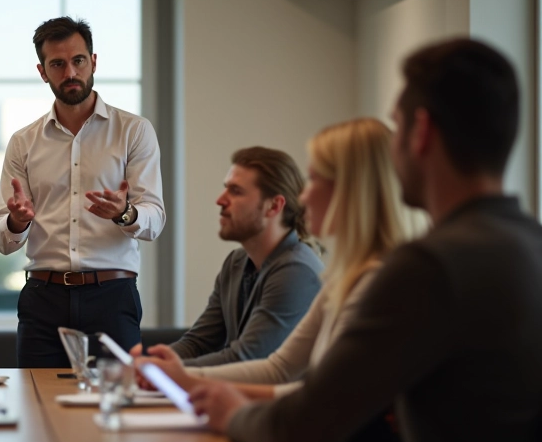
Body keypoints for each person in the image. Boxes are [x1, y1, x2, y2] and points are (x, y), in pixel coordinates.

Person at [190, 39, 542, 442]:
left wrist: (232, 415)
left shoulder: (426, 267)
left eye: (395, 129)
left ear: (420, 132)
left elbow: (304, 425)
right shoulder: (527, 243)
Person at [141, 118, 419, 396]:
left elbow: (321, 395)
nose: (305, 196)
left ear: (353, 191)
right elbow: (281, 370)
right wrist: (169, 373)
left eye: (316, 179)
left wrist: (178, 378)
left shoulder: (315, 273)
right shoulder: (342, 278)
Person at [0, 16, 166, 368]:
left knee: (117, 408)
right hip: (43, 298)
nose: (70, 72)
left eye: (78, 60)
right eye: (57, 64)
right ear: (43, 72)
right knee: (38, 408)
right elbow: (1, 238)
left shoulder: (134, 131)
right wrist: (17, 221)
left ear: (93, 62)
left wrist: (124, 212)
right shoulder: (23, 142)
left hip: (112, 297)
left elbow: (155, 219)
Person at [135, 147, 323, 367]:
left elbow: (247, 359)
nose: (220, 200)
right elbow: (198, 342)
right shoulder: (236, 262)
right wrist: (151, 363)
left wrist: (161, 370)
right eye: (226, 189)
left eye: (236, 191)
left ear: (274, 206)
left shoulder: (296, 271)